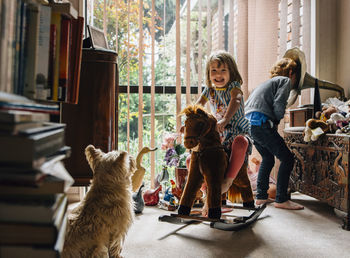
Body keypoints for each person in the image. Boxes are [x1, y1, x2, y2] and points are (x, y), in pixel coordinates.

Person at [194, 51, 251, 215]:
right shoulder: (209, 90)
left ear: (231, 72)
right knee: (200, 152)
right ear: (208, 73)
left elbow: (236, 100)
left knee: (241, 142)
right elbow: (198, 106)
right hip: (218, 135)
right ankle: (207, 191)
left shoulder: (234, 88)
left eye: (223, 70)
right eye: (214, 71)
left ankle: (228, 181)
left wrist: (225, 119)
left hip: (235, 131)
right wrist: (190, 120)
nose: (218, 75)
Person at [245, 57, 304, 210]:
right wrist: (278, 118)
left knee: (267, 158)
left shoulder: (265, 83)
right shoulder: (284, 81)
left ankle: (261, 197)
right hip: (263, 125)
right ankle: (281, 199)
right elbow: (279, 104)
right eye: (296, 76)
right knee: (287, 158)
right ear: (291, 72)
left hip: (252, 127)